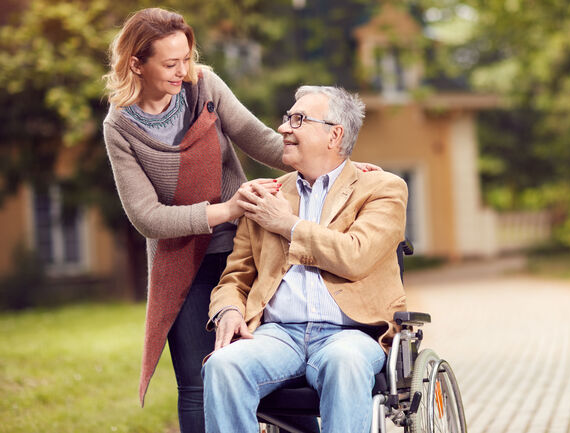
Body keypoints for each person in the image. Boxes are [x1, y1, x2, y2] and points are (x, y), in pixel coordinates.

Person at [102, 7, 376, 433]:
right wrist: (229, 209)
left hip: (246, 242)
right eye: (170, 64)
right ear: (137, 64)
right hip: (182, 260)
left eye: (187, 59)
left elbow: (261, 140)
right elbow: (147, 217)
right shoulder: (120, 127)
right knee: (196, 381)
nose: (183, 71)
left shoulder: (203, 86)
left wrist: (342, 169)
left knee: (273, 358)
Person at [202, 85, 409, 433]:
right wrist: (229, 310)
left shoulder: (383, 189)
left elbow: (355, 255)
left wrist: (287, 225)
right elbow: (235, 278)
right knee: (223, 365)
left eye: (298, 119)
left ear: (334, 135)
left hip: (350, 334)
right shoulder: (265, 194)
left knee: (344, 362)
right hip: (277, 334)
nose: (284, 128)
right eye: (287, 119)